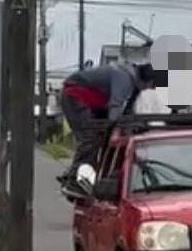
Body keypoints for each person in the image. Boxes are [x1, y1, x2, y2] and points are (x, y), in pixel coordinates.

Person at [58, 61, 157, 189]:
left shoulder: (135, 86)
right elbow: (115, 107)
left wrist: (131, 130)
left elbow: (128, 112)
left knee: (104, 136)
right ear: (147, 81)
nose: (151, 89)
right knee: (90, 137)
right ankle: (74, 178)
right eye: (153, 85)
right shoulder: (123, 76)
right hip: (75, 95)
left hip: (95, 102)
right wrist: (118, 127)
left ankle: (100, 174)